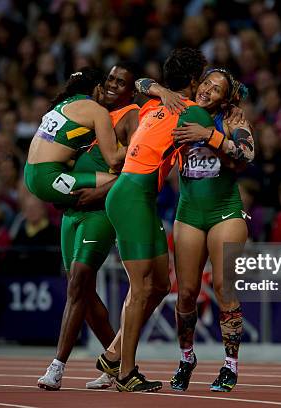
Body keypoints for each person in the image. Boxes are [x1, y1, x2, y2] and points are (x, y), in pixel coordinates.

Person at [101, 48, 216, 392]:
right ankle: (125, 373)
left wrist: (159, 90)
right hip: (131, 195)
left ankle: (112, 355)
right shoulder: (194, 111)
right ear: (195, 82)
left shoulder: (152, 104)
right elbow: (214, 126)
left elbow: (140, 84)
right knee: (140, 289)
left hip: (136, 196)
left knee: (162, 286)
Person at [136, 67, 254, 392]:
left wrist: (210, 136)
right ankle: (186, 358)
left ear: (225, 97)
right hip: (188, 213)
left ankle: (230, 366)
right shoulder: (183, 107)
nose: (207, 91)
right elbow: (139, 84)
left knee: (224, 288)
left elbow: (248, 153)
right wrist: (163, 91)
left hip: (225, 211)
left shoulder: (232, 118)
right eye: (206, 83)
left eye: (216, 89)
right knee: (186, 292)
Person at [36, 63, 141, 391]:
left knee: (79, 281)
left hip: (99, 211)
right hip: (72, 211)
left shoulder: (131, 116)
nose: (112, 85)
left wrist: (98, 191)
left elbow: (137, 168)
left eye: (120, 82)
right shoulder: (92, 112)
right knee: (80, 288)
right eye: (109, 79)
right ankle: (119, 363)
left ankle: (57, 366)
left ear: (130, 91)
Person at [24, 67, 125, 208]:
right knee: (122, 185)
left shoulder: (63, 104)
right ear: (98, 88)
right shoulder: (96, 110)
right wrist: (139, 143)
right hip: (49, 179)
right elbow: (113, 159)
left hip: (29, 174)